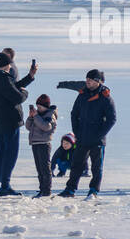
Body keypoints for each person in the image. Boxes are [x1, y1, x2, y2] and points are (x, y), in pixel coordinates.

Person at [58, 70, 116, 198]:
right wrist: (77, 131)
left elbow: (112, 119)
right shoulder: (82, 94)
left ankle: (94, 190)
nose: (87, 82)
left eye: (90, 80)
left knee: (96, 167)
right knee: (76, 165)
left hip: (97, 140)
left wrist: (100, 134)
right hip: (82, 137)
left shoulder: (105, 97)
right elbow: (74, 114)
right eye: (87, 79)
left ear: (98, 81)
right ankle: (70, 189)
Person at [0, 51, 29, 196]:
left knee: (0, 154)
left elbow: (12, 87)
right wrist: (25, 93)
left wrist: (30, 77)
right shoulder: (3, 79)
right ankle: (5, 185)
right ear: (7, 65)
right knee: (9, 154)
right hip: (10, 121)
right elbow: (16, 97)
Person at [25, 94, 58, 197]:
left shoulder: (50, 115)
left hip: (44, 144)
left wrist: (36, 116)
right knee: (39, 168)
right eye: (37, 107)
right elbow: (28, 127)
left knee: (45, 168)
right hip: (35, 143)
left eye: (40, 107)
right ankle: (42, 189)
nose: (38, 109)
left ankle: (47, 190)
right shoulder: (37, 115)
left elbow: (46, 127)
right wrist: (31, 117)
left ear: (46, 106)